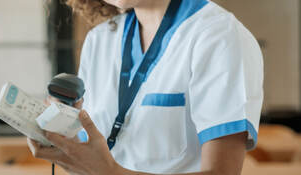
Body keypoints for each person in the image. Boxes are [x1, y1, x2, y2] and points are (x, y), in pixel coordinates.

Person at [27, 0, 263, 174]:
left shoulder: (218, 36)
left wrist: (112, 173)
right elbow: (94, 158)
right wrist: (62, 140)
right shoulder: (99, 40)